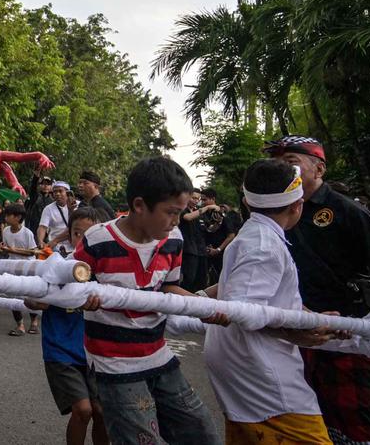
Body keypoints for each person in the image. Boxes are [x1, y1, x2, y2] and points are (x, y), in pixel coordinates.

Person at [265, 135, 370, 445]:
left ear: (318, 169)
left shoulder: (345, 210)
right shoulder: (272, 212)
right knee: (302, 424)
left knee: (361, 426)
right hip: (297, 333)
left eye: (291, 164)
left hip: (349, 333)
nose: (283, 171)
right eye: (278, 165)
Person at [73, 157, 224, 445]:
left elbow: (170, 290)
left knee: (202, 433)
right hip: (114, 363)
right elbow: (71, 288)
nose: (177, 221)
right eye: (171, 212)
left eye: (181, 213)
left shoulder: (173, 239)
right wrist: (84, 298)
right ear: (140, 205)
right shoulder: (97, 240)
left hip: (158, 355)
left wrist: (205, 308)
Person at [204, 159, 335, 444]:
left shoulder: (256, 237)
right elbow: (244, 311)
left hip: (242, 359)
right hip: (259, 366)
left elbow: (267, 298)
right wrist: (296, 331)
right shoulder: (263, 246)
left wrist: (312, 317)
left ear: (247, 203)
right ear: (297, 205)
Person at [30, 209, 108, 445]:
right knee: (83, 410)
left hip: (96, 351)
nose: (81, 240)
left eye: (89, 235)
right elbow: (34, 299)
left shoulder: (107, 271)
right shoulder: (56, 264)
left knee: (101, 411)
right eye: (76, 234)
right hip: (60, 349)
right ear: (68, 234)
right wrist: (37, 297)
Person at [1, 203, 40, 335]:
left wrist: (14, 250)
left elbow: (33, 252)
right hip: (12, 266)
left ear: (18, 217)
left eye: (8, 215)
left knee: (30, 295)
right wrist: (2, 248)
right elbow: (6, 247)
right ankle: (20, 325)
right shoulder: (6, 231)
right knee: (12, 295)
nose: (5, 217)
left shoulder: (27, 233)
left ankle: (34, 323)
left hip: (28, 267)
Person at [199, 188, 238, 284]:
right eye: (202, 200)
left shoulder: (222, 214)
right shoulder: (203, 214)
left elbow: (231, 235)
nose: (202, 202)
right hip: (205, 252)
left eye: (205, 200)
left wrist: (218, 249)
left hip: (221, 254)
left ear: (212, 199)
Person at [178, 189, 212, 293]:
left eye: (198, 198)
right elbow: (187, 218)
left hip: (201, 251)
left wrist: (218, 221)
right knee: (188, 280)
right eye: (194, 198)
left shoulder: (200, 212)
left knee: (202, 280)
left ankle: (198, 303)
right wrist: (207, 207)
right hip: (189, 251)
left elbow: (209, 228)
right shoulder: (182, 209)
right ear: (188, 197)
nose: (196, 201)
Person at [39, 180, 74, 253]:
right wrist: (40, 241)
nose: (57, 194)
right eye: (55, 192)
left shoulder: (77, 205)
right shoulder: (48, 208)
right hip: (56, 248)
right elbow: (42, 227)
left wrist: (55, 241)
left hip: (74, 247)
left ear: (67, 193)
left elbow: (72, 229)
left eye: (60, 191)